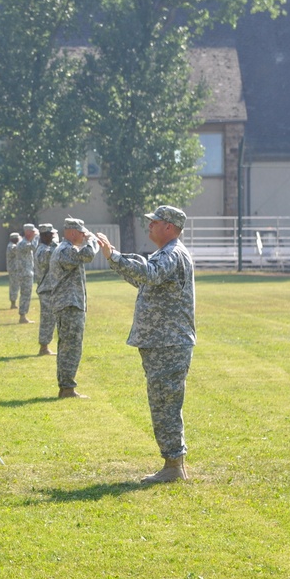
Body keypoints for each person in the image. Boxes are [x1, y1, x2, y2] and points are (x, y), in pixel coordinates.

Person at [96, 206, 196, 483]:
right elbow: (144, 278)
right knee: (164, 403)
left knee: (165, 404)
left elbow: (149, 273)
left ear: (169, 227)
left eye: (155, 222)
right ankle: (173, 463)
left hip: (168, 343)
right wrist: (115, 260)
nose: (149, 225)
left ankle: (174, 466)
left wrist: (115, 256)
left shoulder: (171, 254)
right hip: (162, 342)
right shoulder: (167, 254)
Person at [38, 218, 97, 398]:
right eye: (81, 233)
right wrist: (92, 240)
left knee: (68, 346)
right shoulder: (65, 250)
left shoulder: (64, 249)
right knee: (70, 347)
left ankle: (66, 387)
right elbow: (87, 255)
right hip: (69, 305)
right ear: (72, 232)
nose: (83, 235)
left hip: (69, 304)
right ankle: (67, 388)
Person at [34, 224, 58, 356]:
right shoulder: (43, 250)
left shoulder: (44, 248)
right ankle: (43, 347)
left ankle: (45, 346)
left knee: (50, 318)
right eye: (51, 234)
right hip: (46, 289)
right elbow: (53, 254)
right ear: (45, 236)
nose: (53, 236)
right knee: (47, 318)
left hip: (49, 288)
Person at [14, 225, 38, 323]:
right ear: (28, 232)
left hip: (26, 272)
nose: (34, 234)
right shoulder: (23, 243)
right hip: (25, 273)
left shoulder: (25, 242)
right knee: (25, 294)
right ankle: (22, 316)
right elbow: (34, 247)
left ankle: (23, 316)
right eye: (32, 232)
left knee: (26, 294)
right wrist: (37, 236)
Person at [6, 232, 21, 310]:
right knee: (14, 286)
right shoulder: (12, 246)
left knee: (15, 285)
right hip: (14, 269)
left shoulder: (11, 245)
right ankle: (13, 303)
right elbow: (18, 249)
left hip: (14, 269)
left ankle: (13, 302)